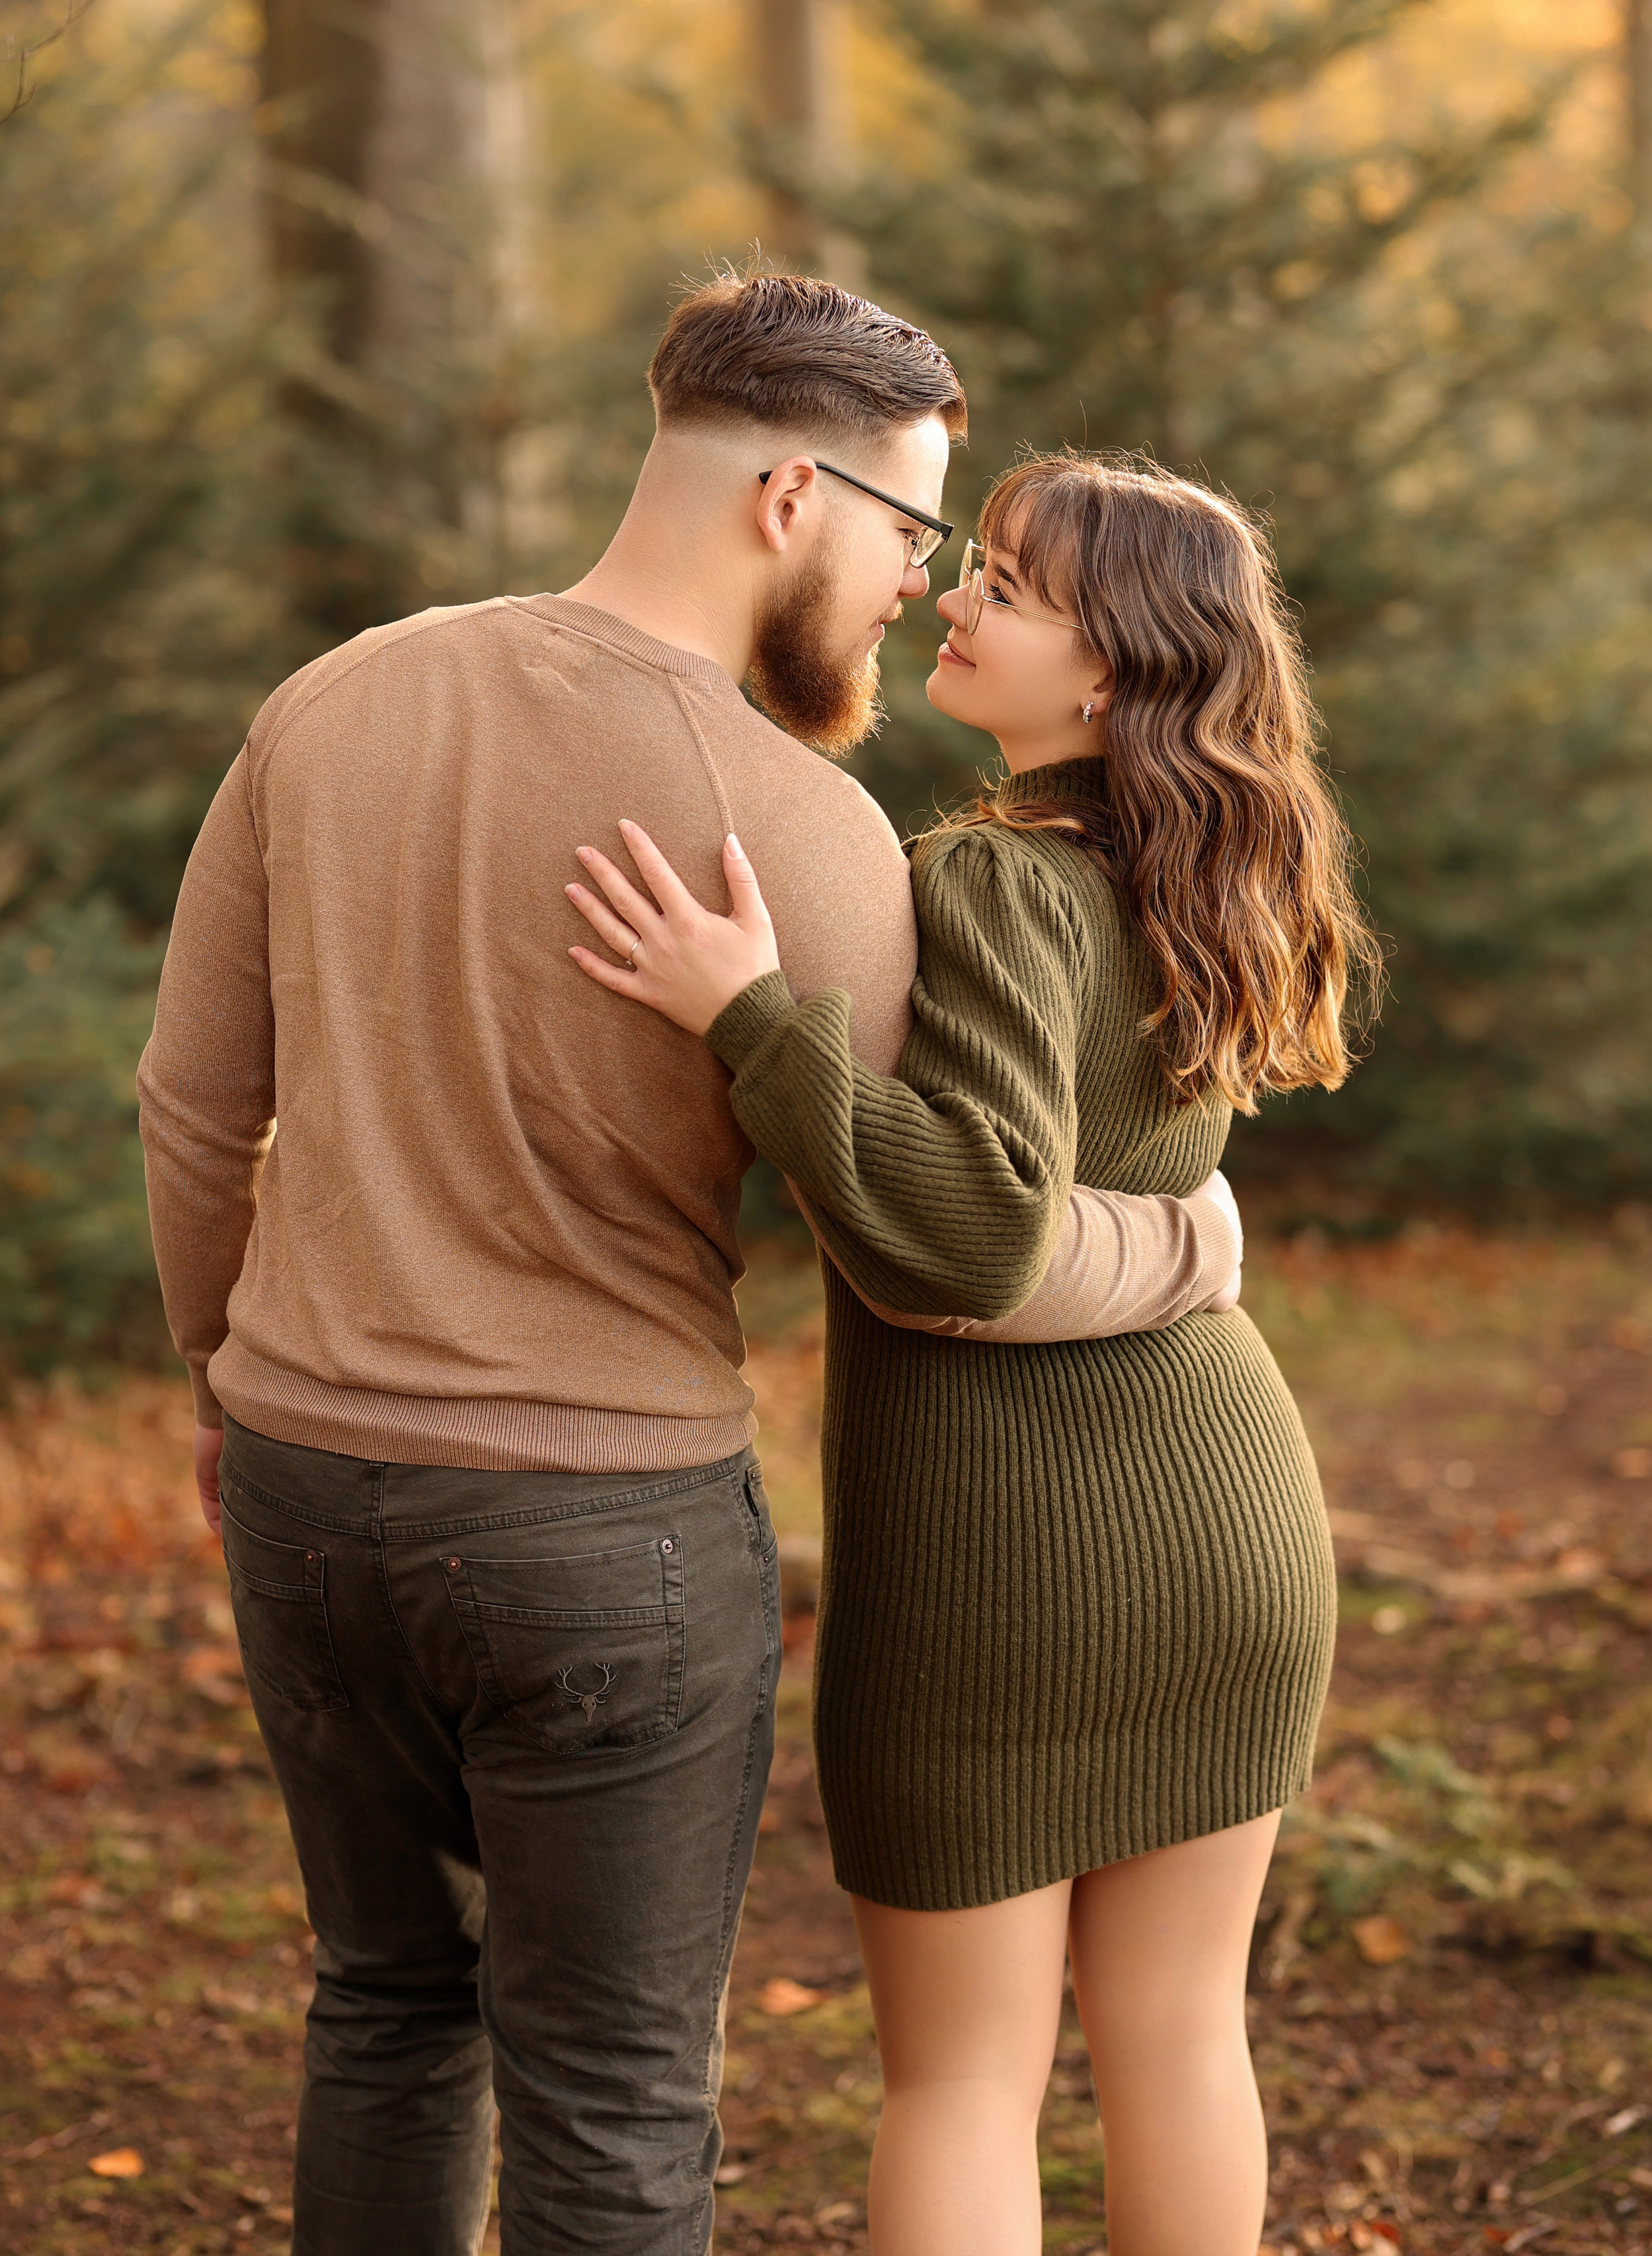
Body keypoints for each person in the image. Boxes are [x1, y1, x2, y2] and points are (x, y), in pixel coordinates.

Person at [138, 276, 1243, 2256]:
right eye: (912, 536)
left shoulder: (335, 698)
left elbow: (197, 1107)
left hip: (302, 1486)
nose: (919, 585)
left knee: (382, 2010)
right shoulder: (807, 837)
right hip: (605, 1531)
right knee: (613, 2087)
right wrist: (1181, 1245)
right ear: (788, 500)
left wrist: (219, 1373)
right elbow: (940, 1247)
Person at [567, 451, 1382, 2256]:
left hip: (1002, 1562)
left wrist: (753, 1023)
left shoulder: (998, 879)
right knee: (1180, 2037)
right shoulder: (1203, 864)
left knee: (961, 2081)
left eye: (1007, 587)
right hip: (1231, 1523)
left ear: (1110, 671)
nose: (955, 597)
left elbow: (975, 1227)